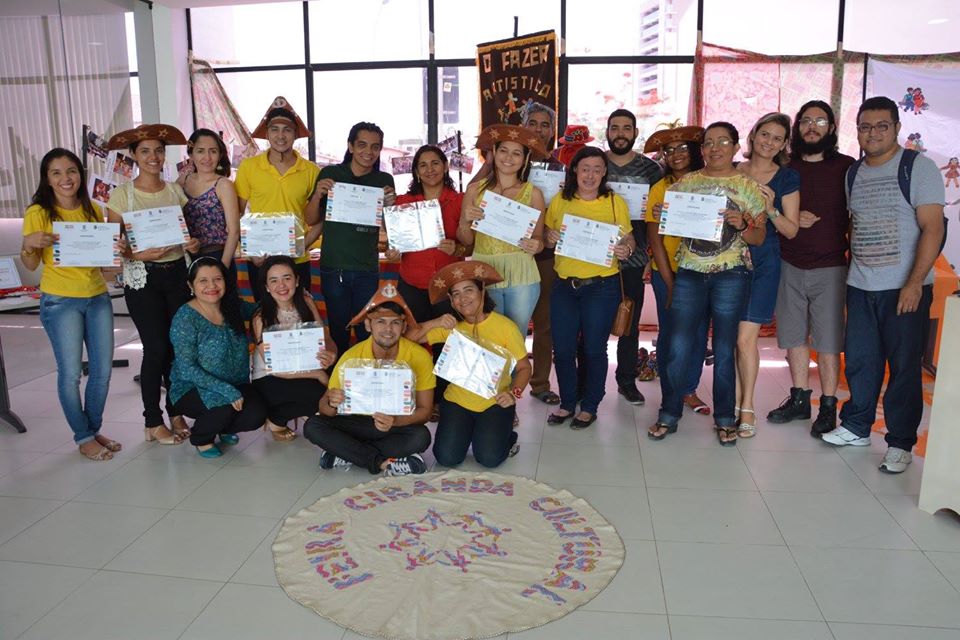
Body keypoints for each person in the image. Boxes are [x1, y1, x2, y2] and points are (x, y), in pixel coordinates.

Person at [821, 96, 945, 474]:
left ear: (896, 128)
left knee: (904, 367)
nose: (872, 133)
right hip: (861, 285)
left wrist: (914, 283)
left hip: (904, 287)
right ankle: (857, 426)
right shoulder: (853, 173)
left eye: (881, 126)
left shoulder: (917, 167)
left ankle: (900, 443)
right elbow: (855, 223)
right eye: (865, 126)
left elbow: (933, 228)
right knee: (861, 360)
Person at [647, 122, 767, 446]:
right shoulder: (686, 183)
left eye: (723, 141)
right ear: (702, 149)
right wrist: (664, 214)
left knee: (725, 348)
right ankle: (669, 413)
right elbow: (670, 228)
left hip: (732, 275)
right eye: (709, 142)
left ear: (736, 147)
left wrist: (742, 225)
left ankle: (725, 418)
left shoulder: (747, 187)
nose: (715, 148)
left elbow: (759, 237)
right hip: (689, 271)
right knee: (678, 345)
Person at [20, 148, 124, 461]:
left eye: (71, 171)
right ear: (47, 179)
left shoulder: (91, 208)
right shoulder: (38, 212)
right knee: (70, 374)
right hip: (61, 301)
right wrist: (28, 244)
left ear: (80, 174)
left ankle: (92, 430)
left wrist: (117, 254)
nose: (65, 178)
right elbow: (30, 264)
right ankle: (83, 436)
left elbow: (104, 268)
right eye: (56, 173)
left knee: (102, 372)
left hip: (97, 297)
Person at [104, 124, 200, 446]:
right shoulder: (121, 195)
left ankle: (176, 412)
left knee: (175, 348)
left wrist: (191, 244)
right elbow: (113, 246)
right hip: (142, 278)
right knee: (156, 348)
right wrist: (136, 253)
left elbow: (182, 233)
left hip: (176, 275)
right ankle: (152, 420)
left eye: (158, 150)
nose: (153, 157)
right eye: (145, 151)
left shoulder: (174, 191)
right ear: (133, 155)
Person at [768, 100, 855, 436]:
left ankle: (828, 405)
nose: (812, 127)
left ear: (831, 128)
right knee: (793, 336)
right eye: (806, 120)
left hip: (831, 265)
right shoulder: (784, 167)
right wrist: (790, 217)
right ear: (797, 127)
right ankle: (800, 399)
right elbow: (765, 209)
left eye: (819, 121)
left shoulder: (847, 167)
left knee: (829, 340)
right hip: (788, 261)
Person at [542, 147, 636, 429]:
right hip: (564, 287)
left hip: (601, 286)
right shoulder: (560, 200)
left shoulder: (614, 202)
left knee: (595, 349)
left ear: (604, 172)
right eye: (585, 169)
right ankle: (567, 402)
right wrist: (550, 236)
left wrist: (626, 249)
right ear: (575, 170)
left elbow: (629, 239)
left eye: (597, 169)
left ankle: (590, 405)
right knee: (563, 349)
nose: (590, 175)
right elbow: (547, 236)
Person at [304, 283, 434, 476]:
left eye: (395, 322)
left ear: (404, 326)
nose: (388, 329)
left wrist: (395, 421)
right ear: (367, 325)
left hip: (392, 424)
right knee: (313, 426)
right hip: (357, 422)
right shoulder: (351, 356)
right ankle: (380, 462)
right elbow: (324, 408)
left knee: (421, 436)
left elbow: (425, 412)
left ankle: (347, 452)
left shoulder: (419, 356)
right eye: (380, 321)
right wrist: (331, 402)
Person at [408, 261, 530, 466]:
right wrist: (435, 322)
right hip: (457, 402)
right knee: (447, 458)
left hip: (494, 402)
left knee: (489, 458)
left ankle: (506, 437)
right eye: (456, 294)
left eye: (468, 290)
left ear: (482, 290)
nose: (462, 298)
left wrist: (513, 393)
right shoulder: (451, 326)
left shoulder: (505, 327)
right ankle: (471, 431)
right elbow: (408, 338)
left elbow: (524, 367)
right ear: (451, 300)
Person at [734, 113, 801, 437]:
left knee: (745, 338)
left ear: (784, 144)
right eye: (765, 134)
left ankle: (746, 407)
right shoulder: (733, 169)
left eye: (777, 138)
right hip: (727, 262)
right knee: (730, 339)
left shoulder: (787, 178)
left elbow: (791, 230)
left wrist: (771, 209)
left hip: (764, 264)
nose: (769, 142)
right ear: (753, 135)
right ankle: (733, 404)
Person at [306, 122, 397, 356]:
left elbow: (389, 226)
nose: (369, 152)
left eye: (375, 147)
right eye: (362, 145)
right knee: (339, 329)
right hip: (334, 266)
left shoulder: (384, 180)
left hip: (366, 268)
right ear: (350, 146)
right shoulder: (331, 174)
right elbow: (311, 219)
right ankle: (339, 371)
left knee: (367, 330)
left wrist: (390, 206)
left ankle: (363, 369)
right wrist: (317, 195)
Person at [642, 125, 710, 417]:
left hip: (704, 270)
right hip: (667, 270)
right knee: (670, 333)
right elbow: (654, 238)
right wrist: (669, 281)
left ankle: (689, 390)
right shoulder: (661, 187)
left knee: (698, 333)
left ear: (694, 151)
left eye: (682, 148)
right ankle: (670, 392)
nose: (675, 155)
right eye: (669, 151)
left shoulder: (709, 183)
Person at [169, 257, 267, 458]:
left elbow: (261, 309)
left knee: (256, 415)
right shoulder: (185, 317)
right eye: (203, 281)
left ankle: (222, 427)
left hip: (236, 383)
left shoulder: (232, 306)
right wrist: (227, 390)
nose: (212, 286)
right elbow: (187, 368)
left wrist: (289, 295)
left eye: (217, 279)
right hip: (191, 387)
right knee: (222, 408)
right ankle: (201, 438)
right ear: (191, 285)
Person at [457, 124, 548, 337]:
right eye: (503, 150)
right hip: (485, 270)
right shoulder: (475, 190)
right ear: (494, 153)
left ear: (525, 159)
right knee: (488, 337)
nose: (508, 157)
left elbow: (538, 239)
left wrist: (536, 245)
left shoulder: (533, 194)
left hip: (522, 272)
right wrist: (465, 221)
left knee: (516, 336)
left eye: (516, 153)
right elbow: (466, 240)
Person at [604, 108, 664, 406]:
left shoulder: (651, 170)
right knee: (590, 325)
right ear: (607, 131)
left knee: (629, 323)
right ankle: (587, 382)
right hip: (595, 257)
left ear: (635, 133)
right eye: (615, 128)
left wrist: (650, 256)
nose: (620, 134)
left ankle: (626, 381)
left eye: (626, 128)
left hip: (635, 258)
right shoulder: (594, 163)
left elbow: (657, 218)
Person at [235, 96, 320, 296]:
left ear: (296, 134)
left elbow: (320, 219)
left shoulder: (311, 171)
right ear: (267, 134)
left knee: (300, 312)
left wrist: (302, 245)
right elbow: (236, 214)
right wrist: (251, 251)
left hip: (297, 261)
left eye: (287, 130)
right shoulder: (249, 167)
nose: (280, 136)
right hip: (261, 259)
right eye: (274, 129)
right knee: (264, 312)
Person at [251, 255, 337, 441]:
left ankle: (294, 411)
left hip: (307, 367)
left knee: (340, 387)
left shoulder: (307, 302)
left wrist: (331, 354)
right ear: (266, 286)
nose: (281, 285)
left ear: (297, 281)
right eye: (274, 280)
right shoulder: (261, 317)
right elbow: (275, 368)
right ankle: (277, 419)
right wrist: (318, 374)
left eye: (287, 278)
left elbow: (327, 338)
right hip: (272, 376)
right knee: (320, 395)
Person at [522, 104, 564, 406]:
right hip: (511, 253)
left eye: (545, 124)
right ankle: (503, 384)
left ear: (553, 130)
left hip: (546, 255)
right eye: (532, 123)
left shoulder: (561, 169)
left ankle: (539, 384)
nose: (538, 129)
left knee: (544, 323)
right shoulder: (510, 162)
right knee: (506, 324)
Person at [180, 129, 240, 278]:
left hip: (217, 256)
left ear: (220, 155)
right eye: (200, 151)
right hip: (187, 258)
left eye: (213, 151)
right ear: (191, 154)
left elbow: (234, 232)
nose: (207, 157)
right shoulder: (182, 181)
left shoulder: (223, 184)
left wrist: (222, 269)